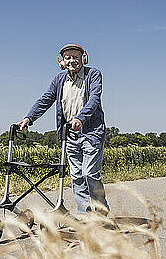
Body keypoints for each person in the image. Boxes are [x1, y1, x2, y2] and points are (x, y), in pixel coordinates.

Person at [16, 43, 109, 215]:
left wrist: (80, 118)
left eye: (75, 56)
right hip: (70, 135)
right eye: (68, 58)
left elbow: (94, 99)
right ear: (62, 62)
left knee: (89, 173)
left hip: (91, 132)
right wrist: (29, 118)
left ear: (84, 58)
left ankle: (101, 212)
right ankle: (84, 216)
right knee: (77, 177)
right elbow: (45, 100)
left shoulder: (93, 74)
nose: (72, 61)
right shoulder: (59, 79)